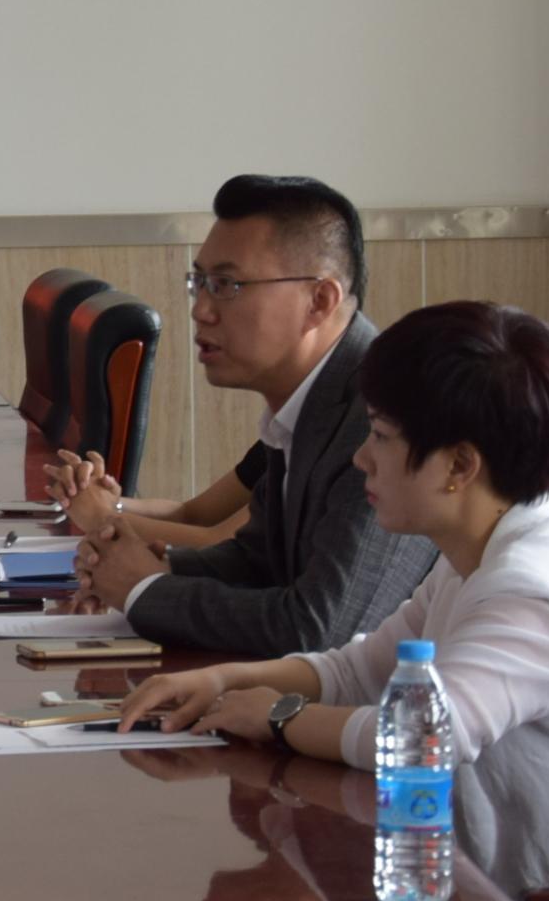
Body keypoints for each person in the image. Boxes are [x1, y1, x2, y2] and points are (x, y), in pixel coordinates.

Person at [119, 302, 549, 901]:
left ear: (460, 465)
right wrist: (219, 678)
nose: (361, 457)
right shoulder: (492, 543)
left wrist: (277, 715)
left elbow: (415, 741)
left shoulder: (538, 589)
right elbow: (362, 667)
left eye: (380, 436)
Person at [74, 174, 437, 654]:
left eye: (226, 285)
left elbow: (321, 630)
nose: (201, 310)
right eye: (199, 282)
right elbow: (261, 559)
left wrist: (145, 589)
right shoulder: (313, 398)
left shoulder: (383, 413)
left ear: (319, 301)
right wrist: (150, 564)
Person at [49, 444, 254, 551]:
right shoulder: (276, 440)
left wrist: (102, 518)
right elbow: (191, 515)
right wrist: (112, 503)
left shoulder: (286, 444)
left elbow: (221, 547)